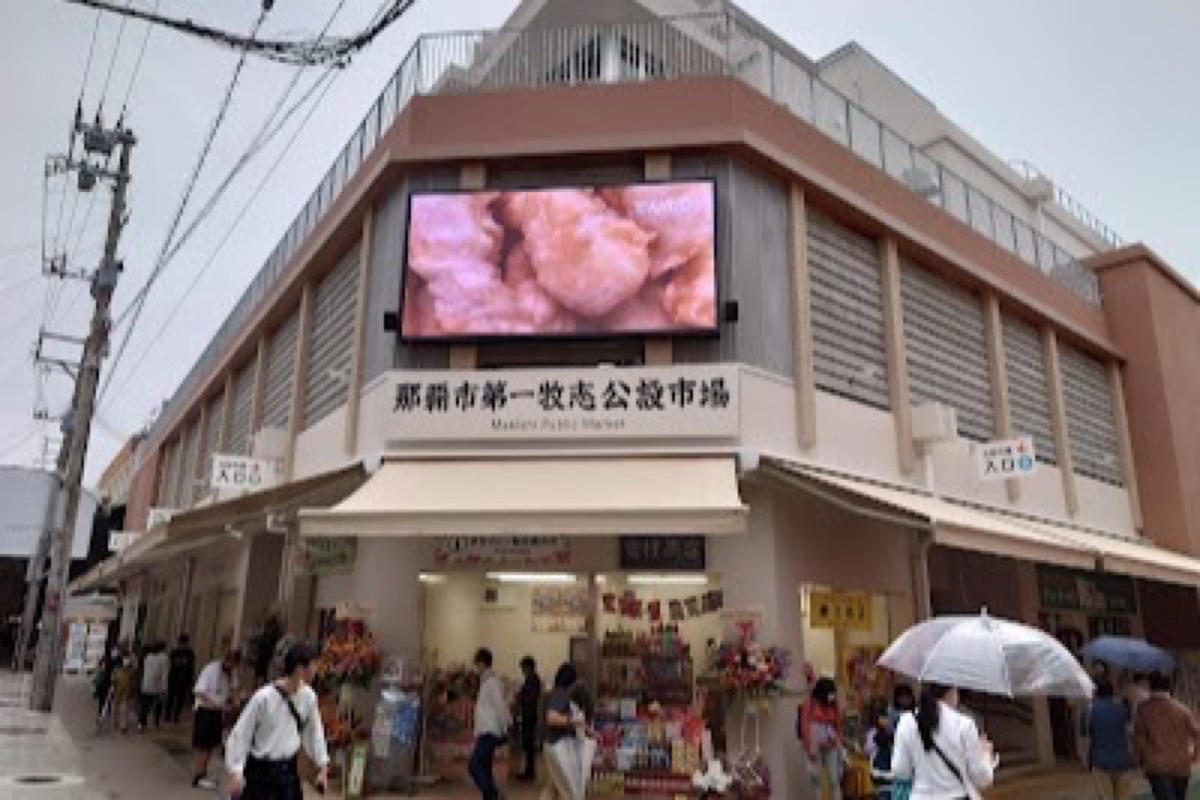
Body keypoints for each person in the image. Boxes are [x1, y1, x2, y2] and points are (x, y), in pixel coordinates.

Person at [226, 642, 330, 799]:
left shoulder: (308, 697)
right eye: (313, 665)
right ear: (300, 669)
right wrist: (236, 771)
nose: (316, 670)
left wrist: (322, 767)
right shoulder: (263, 697)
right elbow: (241, 734)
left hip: (287, 772)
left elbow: (315, 732)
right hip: (260, 772)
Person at [891, 683, 996, 800]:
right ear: (952, 691)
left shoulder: (906, 722)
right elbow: (981, 779)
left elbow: (900, 771)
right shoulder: (964, 724)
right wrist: (986, 754)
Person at [1133, 672, 1200, 800]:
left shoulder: (1144, 709)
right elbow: (1197, 733)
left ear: (1150, 687)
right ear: (1169, 687)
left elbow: (1139, 737)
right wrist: (1195, 754)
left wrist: (1139, 757)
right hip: (1181, 763)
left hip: (1156, 763)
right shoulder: (1182, 709)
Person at [192, 650, 242, 790]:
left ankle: (203, 773)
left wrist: (236, 700)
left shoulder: (231, 672)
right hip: (205, 710)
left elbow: (234, 688)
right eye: (231, 664)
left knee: (211, 745)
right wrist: (217, 703)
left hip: (217, 712)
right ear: (226, 660)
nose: (232, 669)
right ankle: (198, 776)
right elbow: (199, 691)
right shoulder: (211, 669)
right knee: (203, 745)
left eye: (234, 666)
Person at [1082, 678, 1135, 800]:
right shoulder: (1123, 709)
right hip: (1122, 759)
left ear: (1096, 692)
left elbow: (1085, 736)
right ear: (1113, 692)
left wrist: (1086, 760)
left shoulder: (1089, 710)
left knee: (1104, 797)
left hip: (1099, 760)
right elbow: (1130, 732)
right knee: (1122, 796)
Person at [468, 647, 511, 800]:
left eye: (476, 664)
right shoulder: (486, 681)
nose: (475, 668)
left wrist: (505, 727)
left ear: (482, 663)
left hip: (490, 731)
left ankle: (494, 795)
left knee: (474, 765)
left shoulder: (492, 682)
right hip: (485, 730)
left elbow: (500, 705)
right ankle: (489, 796)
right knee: (485, 768)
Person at [542, 663, 588, 800]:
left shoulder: (557, 693)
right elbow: (551, 717)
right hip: (558, 747)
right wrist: (574, 721)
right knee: (571, 792)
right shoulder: (561, 694)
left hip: (553, 745)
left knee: (552, 788)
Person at [800, 677, 844, 800]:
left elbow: (839, 725)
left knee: (834, 779)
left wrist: (837, 740)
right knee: (816, 779)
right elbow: (804, 726)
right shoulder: (809, 704)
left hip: (831, 744)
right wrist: (809, 747)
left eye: (833, 693)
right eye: (829, 693)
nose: (832, 697)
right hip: (814, 746)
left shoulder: (834, 704)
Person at [515, 656, 543, 782]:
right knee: (528, 744)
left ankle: (529, 771)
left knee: (528, 744)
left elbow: (529, 698)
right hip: (529, 714)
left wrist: (520, 698)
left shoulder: (532, 680)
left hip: (529, 714)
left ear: (528, 667)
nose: (522, 670)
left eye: (523, 667)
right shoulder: (532, 679)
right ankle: (528, 770)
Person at [139, 642, 170, 731]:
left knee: (145, 706)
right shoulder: (164, 658)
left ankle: (141, 723)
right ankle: (156, 722)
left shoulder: (148, 657)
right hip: (157, 686)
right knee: (158, 705)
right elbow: (165, 674)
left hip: (146, 684)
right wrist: (164, 688)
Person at [168, 634, 197, 724]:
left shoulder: (190, 653)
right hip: (173, 678)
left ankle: (176, 715)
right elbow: (170, 665)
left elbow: (191, 667)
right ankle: (168, 714)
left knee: (180, 699)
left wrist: (191, 679)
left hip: (183, 679)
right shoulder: (174, 652)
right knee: (171, 697)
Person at [111, 654, 136, 734]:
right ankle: (118, 723)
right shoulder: (119, 672)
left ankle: (122, 726)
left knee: (123, 709)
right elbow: (113, 682)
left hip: (123, 693)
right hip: (119, 692)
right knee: (119, 709)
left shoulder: (127, 672)